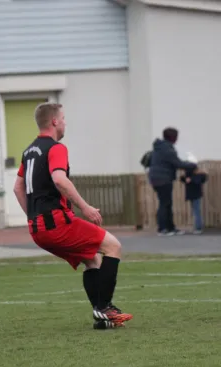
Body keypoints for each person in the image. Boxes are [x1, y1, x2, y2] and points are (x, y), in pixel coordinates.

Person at [13, 102, 132, 329]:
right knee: (113, 246)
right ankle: (104, 308)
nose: (65, 122)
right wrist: (85, 207)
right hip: (57, 223)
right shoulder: (56, 148)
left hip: (38, 229)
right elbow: (59, 179)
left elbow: (17, 188)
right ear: (55, 122)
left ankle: (103, 319)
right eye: (64, 118)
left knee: (92, 259)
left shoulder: (28, 151)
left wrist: (33, 216)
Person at [147, 127, 197, 236]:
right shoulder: (167, 149)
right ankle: (163, 228)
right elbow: (177, 163)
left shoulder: (160, 147)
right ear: (173, 137)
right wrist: (192, 165)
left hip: (156, 178)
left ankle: (170, 228)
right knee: (165, 203)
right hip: (163, 179)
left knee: (166, 203)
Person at [179, 167, 208, 234]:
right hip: (193, 195)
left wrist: (190, 179)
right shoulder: (191, 175)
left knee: (196, 210)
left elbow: (198, 180)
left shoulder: (198, 176)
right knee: (195, 210)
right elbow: (182, 178)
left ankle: (198, 227)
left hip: (195, 195)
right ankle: (197, 226)